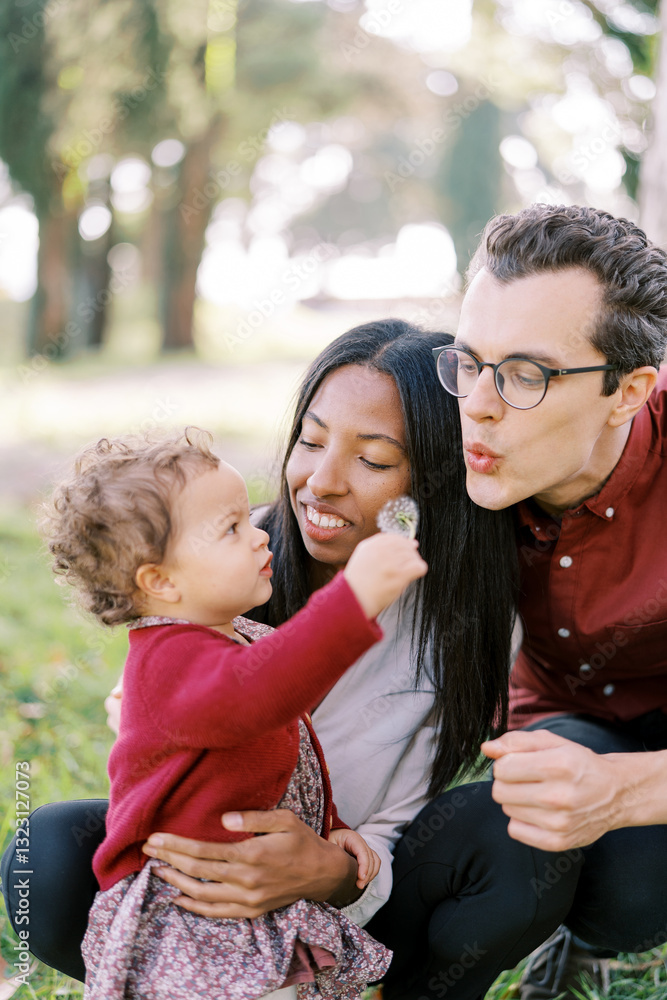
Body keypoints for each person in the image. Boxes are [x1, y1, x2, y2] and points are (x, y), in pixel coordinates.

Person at [0, 320, 518, 987]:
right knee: (42, 851)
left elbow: (299, 759)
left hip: (345, 884)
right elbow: (258, 694)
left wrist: (334, 863)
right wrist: (353, 598)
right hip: (196, 894)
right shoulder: (217, 595)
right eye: (309, 440)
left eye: (374, 458)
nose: (317, 484)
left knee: (511, 837)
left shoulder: (468, 616)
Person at [370, 203, 667, 1000]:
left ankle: (614, 942)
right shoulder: (452, 418)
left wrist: (631, 791)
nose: (480, 405)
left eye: (526, 374)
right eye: (469, 360)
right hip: (560, 723)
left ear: (626, 390)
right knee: (525, 812)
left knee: (634, 877)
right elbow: (311, 519)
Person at [37, 428, 429, 999]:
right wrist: (356, 597)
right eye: (231, 528)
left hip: (244, 903)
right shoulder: (168, 661)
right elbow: (262, 693)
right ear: (160, 581)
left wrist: (334, 830)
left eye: (249, 518)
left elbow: (288, 769)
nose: (257, 536)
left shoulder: (241, 638)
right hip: (190, 918)